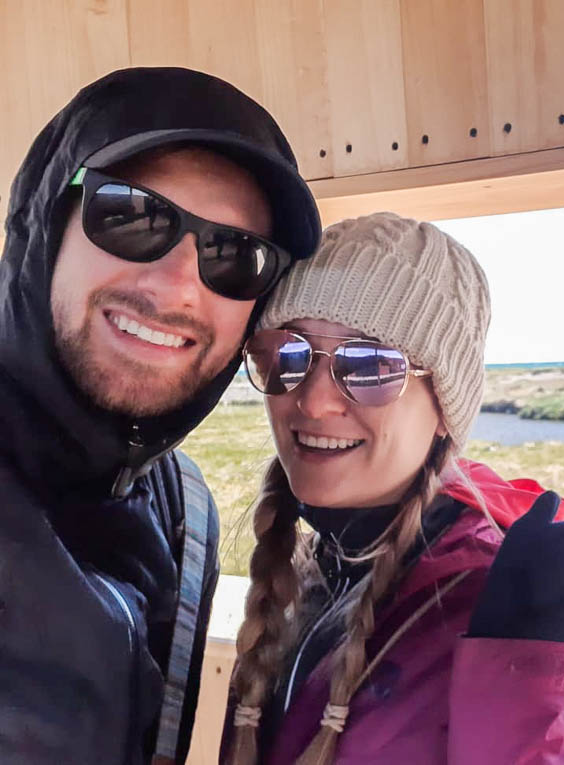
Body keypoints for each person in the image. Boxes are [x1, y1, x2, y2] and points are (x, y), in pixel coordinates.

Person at [222, 212, 564, 764]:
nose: (314, 401)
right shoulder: (308, 574)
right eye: (289, 356)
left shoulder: (499, 605)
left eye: (371, 364)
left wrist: (524, 673)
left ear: (444, 410)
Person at [0, 67, 321, 765]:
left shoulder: (186, 512)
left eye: (234, 255)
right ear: (43, 222)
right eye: (132, 214)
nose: (178, 286)